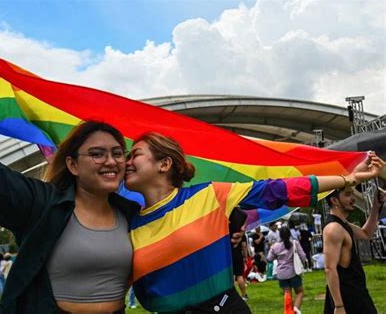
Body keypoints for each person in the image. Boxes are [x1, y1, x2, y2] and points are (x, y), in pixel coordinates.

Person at [0, 36, 139, 313]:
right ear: (73, 165)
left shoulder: (133, 213)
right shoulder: (42, 204)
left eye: (117, 152)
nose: (111, 161)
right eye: (97, 154)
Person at [124, 132, 383, 313]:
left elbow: (279, 190)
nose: (126, 162)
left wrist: (348, 179)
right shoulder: (127, 224)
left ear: (164, 164)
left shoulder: (209, 195)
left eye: (134, 154)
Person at [323, 186, 385, 314]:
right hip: (348, 298)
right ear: (334, 200)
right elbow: (330, 269)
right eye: (348, 195)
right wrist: (339, 306)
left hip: (356, 292)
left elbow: (366, 233)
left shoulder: (342, 224)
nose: (353, 199)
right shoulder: (334, 229)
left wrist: (376, 207)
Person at [267, 226, 306, 314]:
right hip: (293, 272)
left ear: (279, 235)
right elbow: (303, 256)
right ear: (289, 234)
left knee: (288, 296)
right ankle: (296, 309)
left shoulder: (275, 246)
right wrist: (302, 265)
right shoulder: (295, 243)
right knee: (300, 292)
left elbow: (269, 259)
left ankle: (290, 311)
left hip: (281, 274)